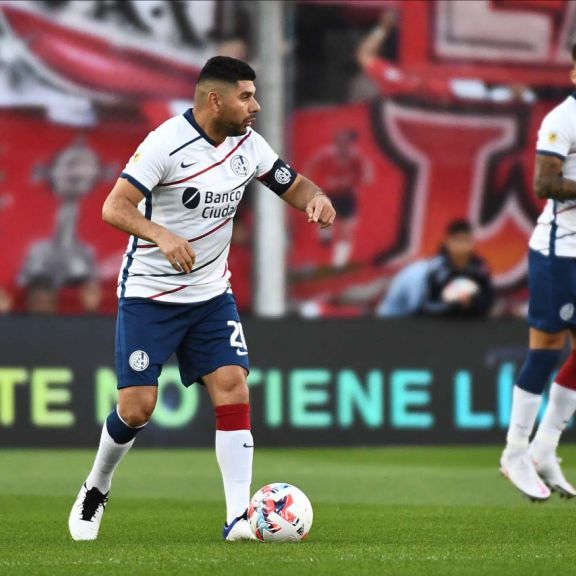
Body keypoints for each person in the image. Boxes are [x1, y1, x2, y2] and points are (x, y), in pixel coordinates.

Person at [68, 56, 335, 542]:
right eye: (246, 96)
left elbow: (293, 185)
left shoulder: (249, 146)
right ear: (215, 99)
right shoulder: (165, 144)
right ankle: (97, 484)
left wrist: (316, 198)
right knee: (137, 408)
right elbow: (114, 206)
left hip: (211, 293)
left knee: (232, 384)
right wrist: (161, 235)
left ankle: (237, 519)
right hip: (150, 293)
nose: (255, 105)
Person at [500, 44, 576, 501]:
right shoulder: (561, 120)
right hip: (559, 250)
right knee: (547, 350)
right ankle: (514, 451)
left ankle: (545, 448)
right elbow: (543, 183)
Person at [376, 220, 493, 318]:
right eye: (458, 240)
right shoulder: (435, 269)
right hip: (400, 315)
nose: (462, 246)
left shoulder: (479, 268)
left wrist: (470, 303)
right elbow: (424, 307)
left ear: (472, 243)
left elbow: (487, 301)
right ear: (447, 242)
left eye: (466, 240)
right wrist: (453, 303)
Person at [305, 129, 372, 267]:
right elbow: (311, 167)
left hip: (346, 196)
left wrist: (353, 181)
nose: (344, 147)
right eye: (341, 143)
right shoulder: (326, 156)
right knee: (325, 222)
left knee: (346, 229)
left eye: (347, 144)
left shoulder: (356, 158)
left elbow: (367, 177)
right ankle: (325, 233)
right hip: (329, 195)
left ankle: (339, 263)